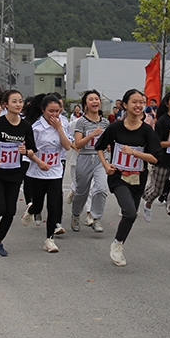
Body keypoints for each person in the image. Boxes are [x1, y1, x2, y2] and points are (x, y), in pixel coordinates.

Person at [96, 89, 161, 267]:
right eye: (134, 101)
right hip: (118, 176)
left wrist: (135, 153)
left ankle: (119, 242)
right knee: (130, 212)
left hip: (138, 178)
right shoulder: (115, 127)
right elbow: (99, 146)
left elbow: (155, 158)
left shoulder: (147, 130)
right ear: (125, 105)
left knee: (130, 214)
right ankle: (117, 246)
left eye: (141, 102)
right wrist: (105, 165)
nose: (139, 105)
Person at [0, 90, 39, 256]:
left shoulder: (25, 126)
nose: (18, 104)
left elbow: (32, 149)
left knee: (10, 211)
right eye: (14, 101)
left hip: (15, 172)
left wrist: (25, 150)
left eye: (20, 101)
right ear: (5, 104)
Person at [20, 94, 72, 253]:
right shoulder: (35, 127)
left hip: (55, 171)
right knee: (38, 205)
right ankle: (31, 209)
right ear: (43, 110)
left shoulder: (62, 123)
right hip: (37, 171)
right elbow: (27, 150)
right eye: (51, 111)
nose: (55, 114)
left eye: (57, 111)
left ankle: (49, 239)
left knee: (53, 205)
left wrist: (59, 129)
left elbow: (67, 146)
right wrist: (39, 161)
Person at [141, 91, 170, 234]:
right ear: (167, 104)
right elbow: (157, 143)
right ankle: (148, 202)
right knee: (157, 189)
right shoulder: (162, 121)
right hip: (162, 160)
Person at [71, 89, 109, 233]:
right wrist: (92, 135)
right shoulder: (81, 122)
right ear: (85, 104)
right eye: (91, 99)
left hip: (101, 159)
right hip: (85, 157)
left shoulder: (105, 122)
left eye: (97, 99)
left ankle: (96, 217)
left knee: (101, 188)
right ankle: (75, 214)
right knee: (82, 192)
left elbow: (108, 142)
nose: (95, 101)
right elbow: (78, 144)